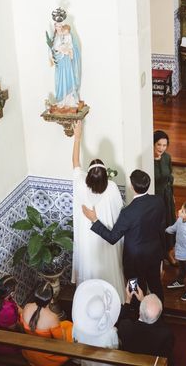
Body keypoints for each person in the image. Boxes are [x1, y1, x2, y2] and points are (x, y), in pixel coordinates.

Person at [83, 169, 166, 302]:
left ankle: (135, 315)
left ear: (132, 187)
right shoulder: (158, 201)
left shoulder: (128, 213)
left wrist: (94, 220)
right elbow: (162, 229)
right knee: (156, 286)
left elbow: (112, 238)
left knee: (134, 290)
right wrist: (162, 258)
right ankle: (159, 315)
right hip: (154, 254)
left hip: (134, 262)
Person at [71, 121, 125, 301]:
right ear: (105, 177)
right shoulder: (111, 188)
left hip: (88, 241)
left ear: (88, 177)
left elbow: (75, 162)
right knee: (108, 269)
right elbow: (119, 213)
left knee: (91, 269)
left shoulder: (80, 185)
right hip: (106, 239)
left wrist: (77, 137)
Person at [117, 285, 174, 365]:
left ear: (139, 311)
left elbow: (122, 318)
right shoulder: (166, 334)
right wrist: (143, 299)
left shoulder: (125, 327)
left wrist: (128, 300)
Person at [20, 283, 74, 366]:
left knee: (65, 324)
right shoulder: (52, 318)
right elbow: (60, 340)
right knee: (70, 328)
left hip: (29, 352)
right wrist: (63, 332)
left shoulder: (27, 307)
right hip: (46, 357)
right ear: (51, 300)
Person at [72, 279, 121, 366]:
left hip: (86, 362)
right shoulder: (111, 332)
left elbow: (75, 342)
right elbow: (115, 347)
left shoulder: (77, 327)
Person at [165, 201, 186, 301]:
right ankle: (180, 281)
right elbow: (174, 228)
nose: (179, 211)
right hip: (180, 250)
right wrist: (165, 230)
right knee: (181, 267)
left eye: (182, 211)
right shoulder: (180, 219)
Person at [153, 130, 177, 266]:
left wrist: (172, 195)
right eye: (158, 145)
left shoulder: (167, 158)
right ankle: (159, 253)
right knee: (158, 225)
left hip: (167, 195)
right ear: (153, 144)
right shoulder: (147, 160)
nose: (161, 148)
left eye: (164, 145)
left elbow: (170, 178)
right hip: (156, 197)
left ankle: (169, 251)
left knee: (169, 223)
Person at [48, 22, 81, 109]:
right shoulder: (54, 37)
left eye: (60, 26)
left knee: (68, 77)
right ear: (55, 26)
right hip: (60, 62)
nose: (58, 27)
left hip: (66, 60)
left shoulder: (67, 34)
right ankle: (61, 100)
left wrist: (67, 49)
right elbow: (51, 48)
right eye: (56, 26)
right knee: (60, 79)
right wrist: (54, 53)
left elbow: (73, 46)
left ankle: (70, 99)